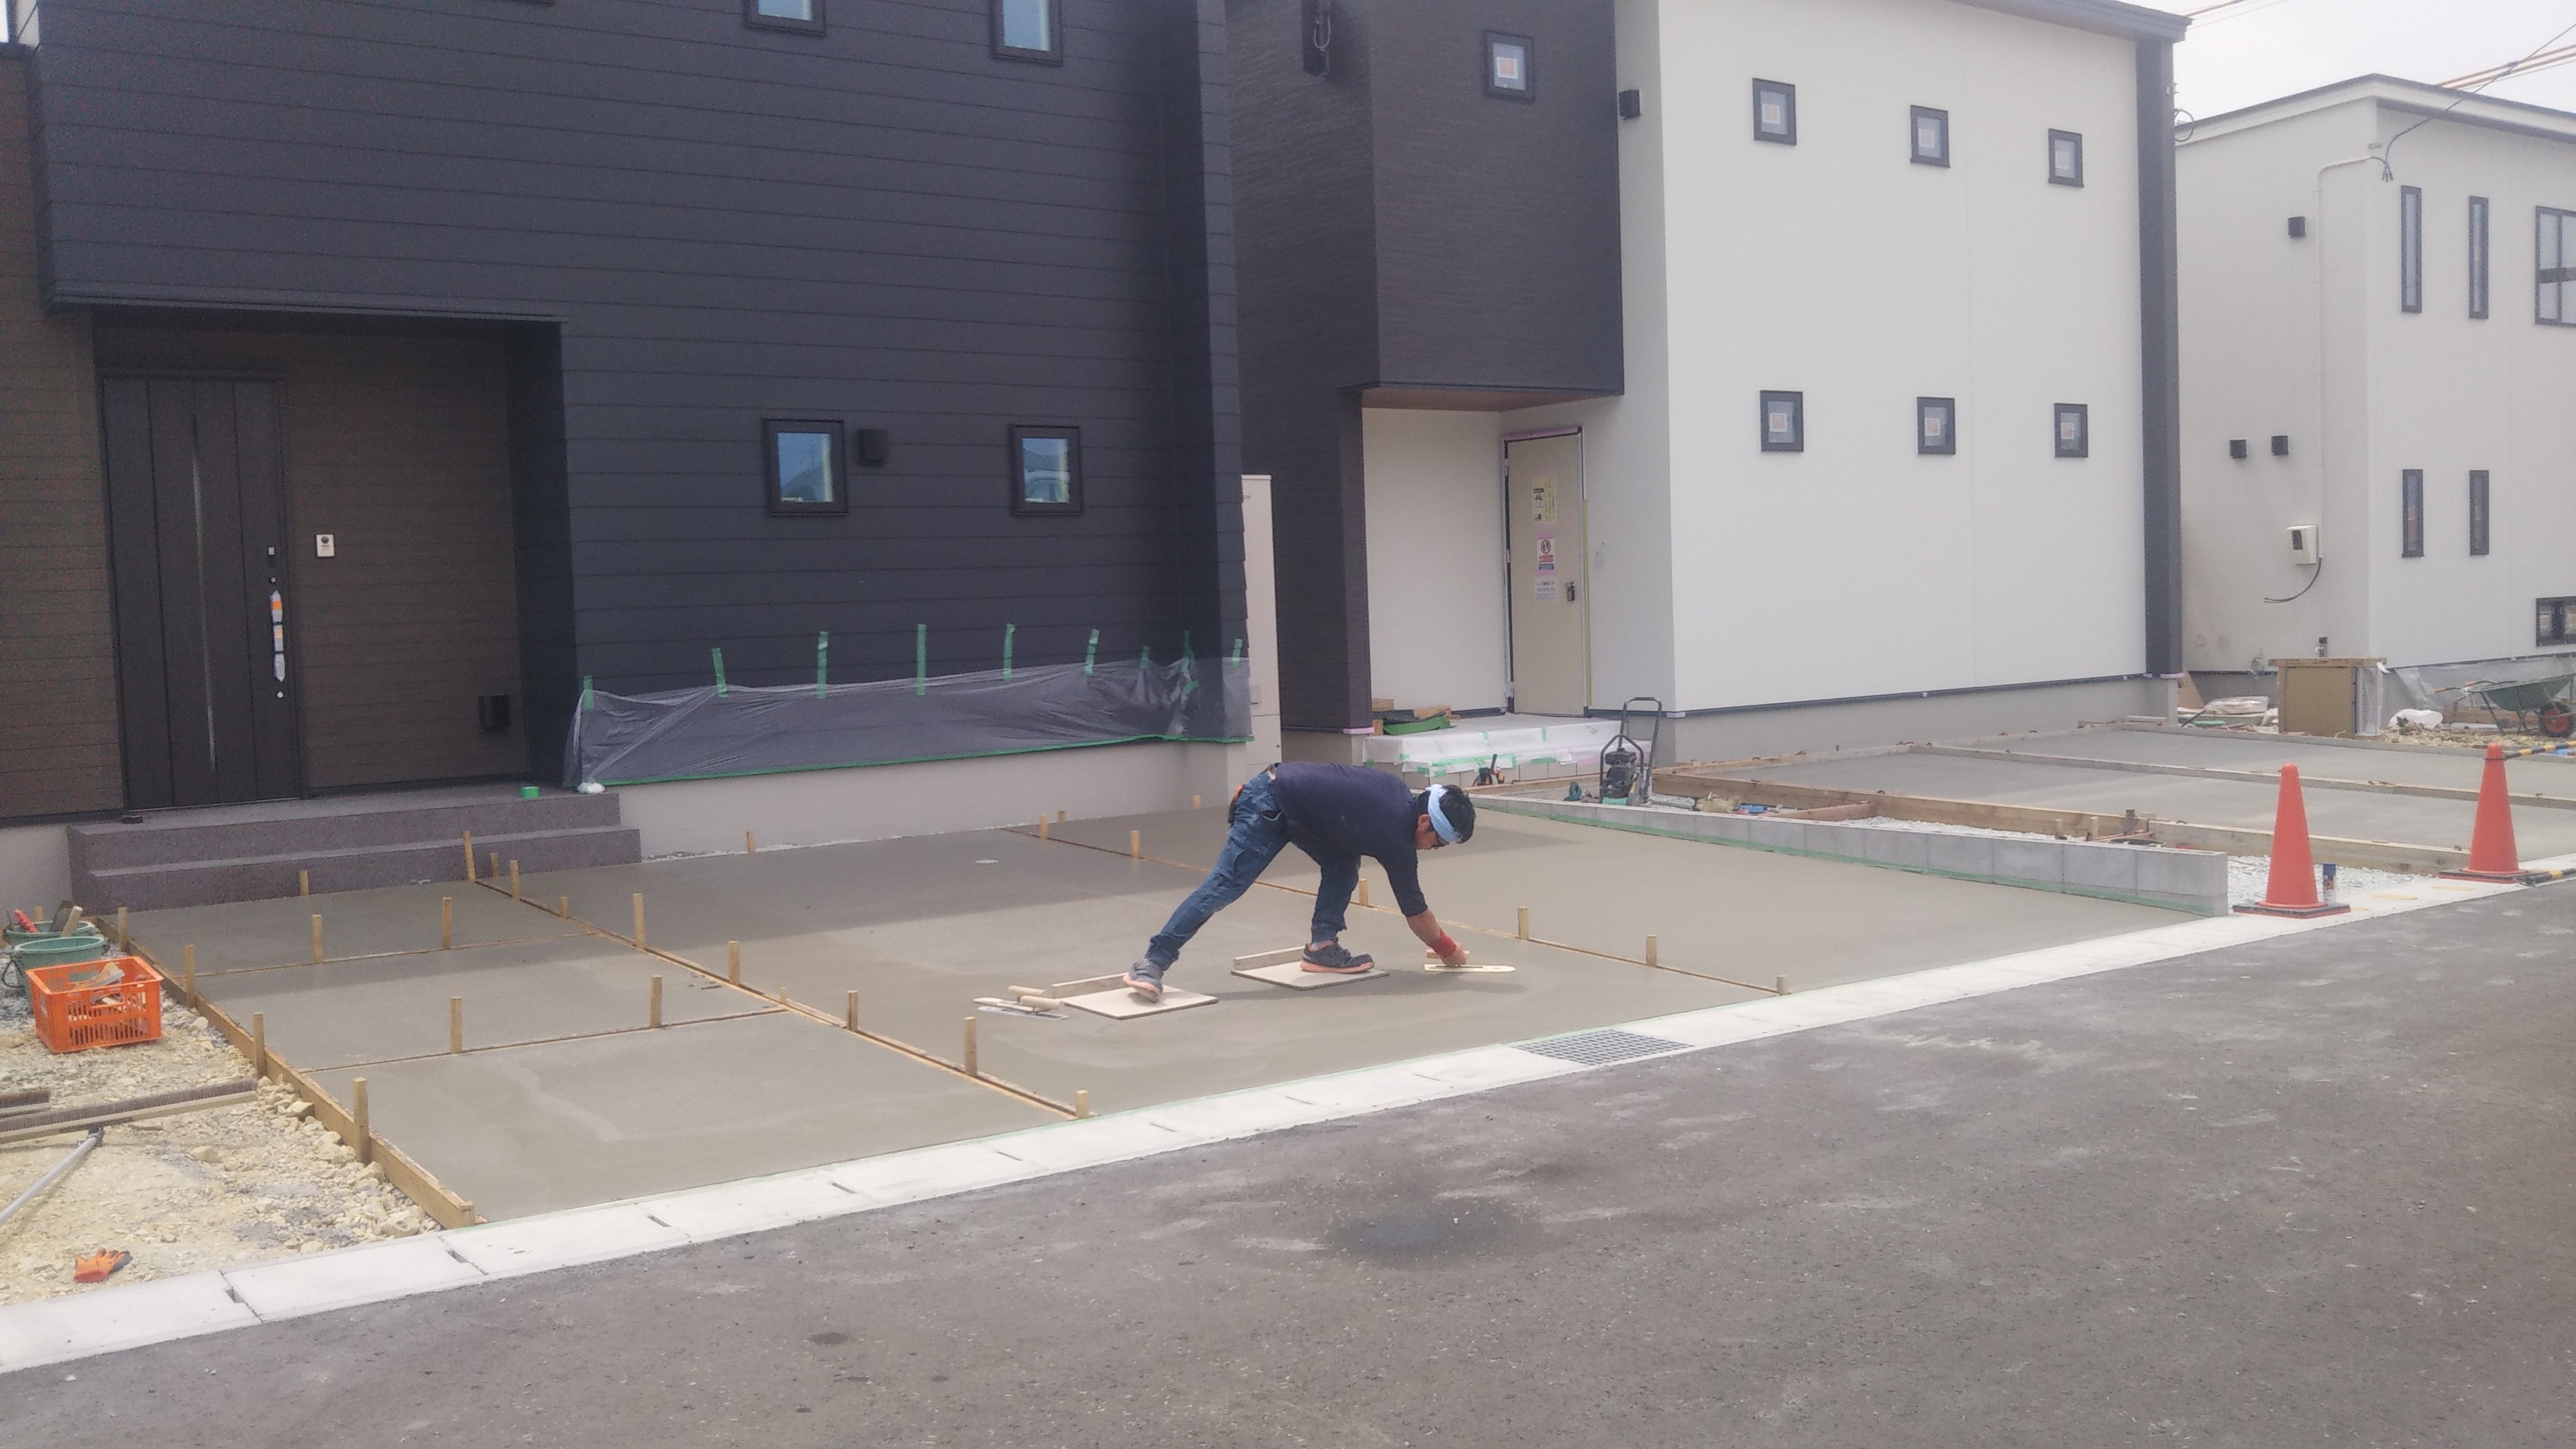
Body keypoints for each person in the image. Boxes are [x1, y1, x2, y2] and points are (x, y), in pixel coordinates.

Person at [1122, 762, 1477, 1002]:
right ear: (1424, 823)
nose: (1433, 849)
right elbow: (1415, 913)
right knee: (1225, 886)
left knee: (1342, 863)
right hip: (1268, 804)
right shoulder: (1395, 837)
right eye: (1438, 843)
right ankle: (1152, 963)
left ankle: (1322, 948)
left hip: (1298, 808)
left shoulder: (1397, 792)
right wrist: (1450, 952)